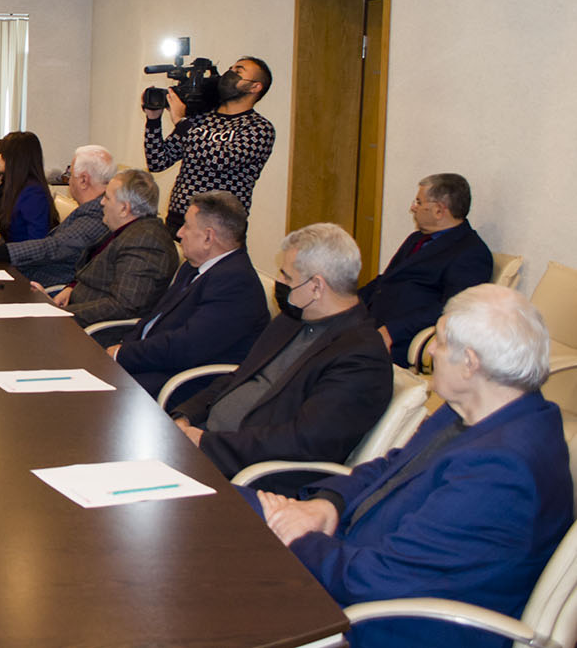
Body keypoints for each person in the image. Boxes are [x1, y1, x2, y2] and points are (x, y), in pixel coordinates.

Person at [251, 285, 572, 648]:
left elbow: (377, 580)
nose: (430, 350)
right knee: (229, 506)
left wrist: (298, 537)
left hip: (385, 622)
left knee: (225, 572)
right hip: (356, 558)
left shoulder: (502, 469)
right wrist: (326, 505)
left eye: (440, 341)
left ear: (470, 363)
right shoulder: (475, 410)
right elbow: (390, 469)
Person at [172, 222, 393, 484]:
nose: (280, 281)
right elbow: (239, 376)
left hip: (247, 472)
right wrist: (186, 415)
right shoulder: (293, 318)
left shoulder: (361, 356)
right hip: (206, 441)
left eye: (287, 277)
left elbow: (304, 441)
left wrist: (207, 443)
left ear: (316, 287)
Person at [103, 191, 270, 400]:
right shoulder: (194, 267)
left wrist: (122, 355)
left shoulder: (237, 283)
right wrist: (121, 349)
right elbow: (155, 320)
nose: (179, 233)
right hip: (147, 365)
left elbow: (185, 347)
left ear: (208, 237)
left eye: (187, 226)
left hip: (178, 383)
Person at [360, 172, 493, 363]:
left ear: (439, 210)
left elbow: (453, 309)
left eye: (419, 202)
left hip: (400, 341)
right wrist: (346, 304)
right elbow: (386, 280)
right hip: (368, 325)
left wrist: (392, 331)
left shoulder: (471, 253)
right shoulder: (416, 239)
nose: (412, 208)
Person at [144, 56, 275, 233]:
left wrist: (182, 122)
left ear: (255, 87)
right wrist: (153, 121)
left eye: (238, 71)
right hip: (179, 220)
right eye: (230, 68)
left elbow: (219, 160)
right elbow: (157, 161)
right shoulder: (200, 118)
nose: (229, 73)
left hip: (219, 227)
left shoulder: (258, 128)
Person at [34, 168, 179, 327]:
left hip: (92, 331)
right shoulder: (130, 230)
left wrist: (60, 313)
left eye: (107, 198)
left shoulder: (147, 242)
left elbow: (123, 306)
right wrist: (71, 288)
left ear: (124, 209)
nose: (101, 202)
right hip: (74, 311)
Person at [0, 144, 114, 286]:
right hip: (32, 275)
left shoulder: (99, 212)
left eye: (70, 175)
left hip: (44, 285)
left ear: (83, 180)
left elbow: (55, 247)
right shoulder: (93, 208)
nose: (69, 181)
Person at [0, 131, 57, 245]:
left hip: (21, 255)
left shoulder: (34, 193)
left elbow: (36, 244)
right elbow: (6, 229)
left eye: (4, 152)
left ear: (15, 158)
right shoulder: (17, 186)